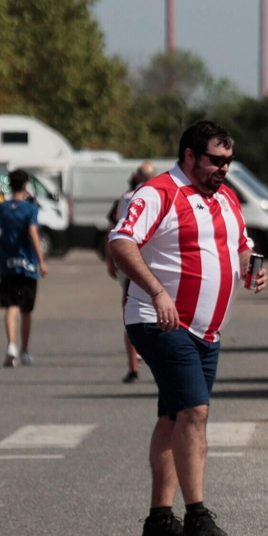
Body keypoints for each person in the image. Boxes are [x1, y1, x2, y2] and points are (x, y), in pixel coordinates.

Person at [107, 123, 266, 536]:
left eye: (229, 162)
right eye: (216, 160)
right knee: (195, 412)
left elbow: (241, 246)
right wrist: (157, 291)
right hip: (159, 320)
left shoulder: (227, 197)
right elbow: (121, 242)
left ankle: (160, 518)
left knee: (175, 416)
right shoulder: (160, 192)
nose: (223, 169)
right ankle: (197, 514)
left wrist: (252, 268)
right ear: (190, 156)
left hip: (206, 331)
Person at [107, 161, 158, 383]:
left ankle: (133, 367)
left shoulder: (126, 198)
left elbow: (116, 230)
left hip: (130, 264)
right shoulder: (160, 195)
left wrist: (111, 259)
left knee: (130, 315)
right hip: (153, 264)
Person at [0, 169, 47, 367]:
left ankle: (11, 345)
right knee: (26, 308)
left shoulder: (3, 208)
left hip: (7, 263)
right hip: (27, 264)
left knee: (10, 305)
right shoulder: (30, 209)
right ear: (25, 186)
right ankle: (24, 350)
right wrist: (41, 260)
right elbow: (32, 232)